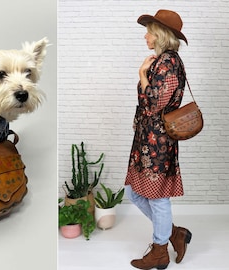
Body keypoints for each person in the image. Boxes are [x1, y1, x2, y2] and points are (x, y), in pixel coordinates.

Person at [124, 10, 192, 270]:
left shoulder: (168, 63)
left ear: (161, 35)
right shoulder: (161, 61)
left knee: (158, 197)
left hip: (157, 142)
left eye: (150, 31)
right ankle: (174, 234)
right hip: (147, 139)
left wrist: (142, 73)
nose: (145, 35)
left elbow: (154, 102)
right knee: (134, 193)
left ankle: (160, 250)